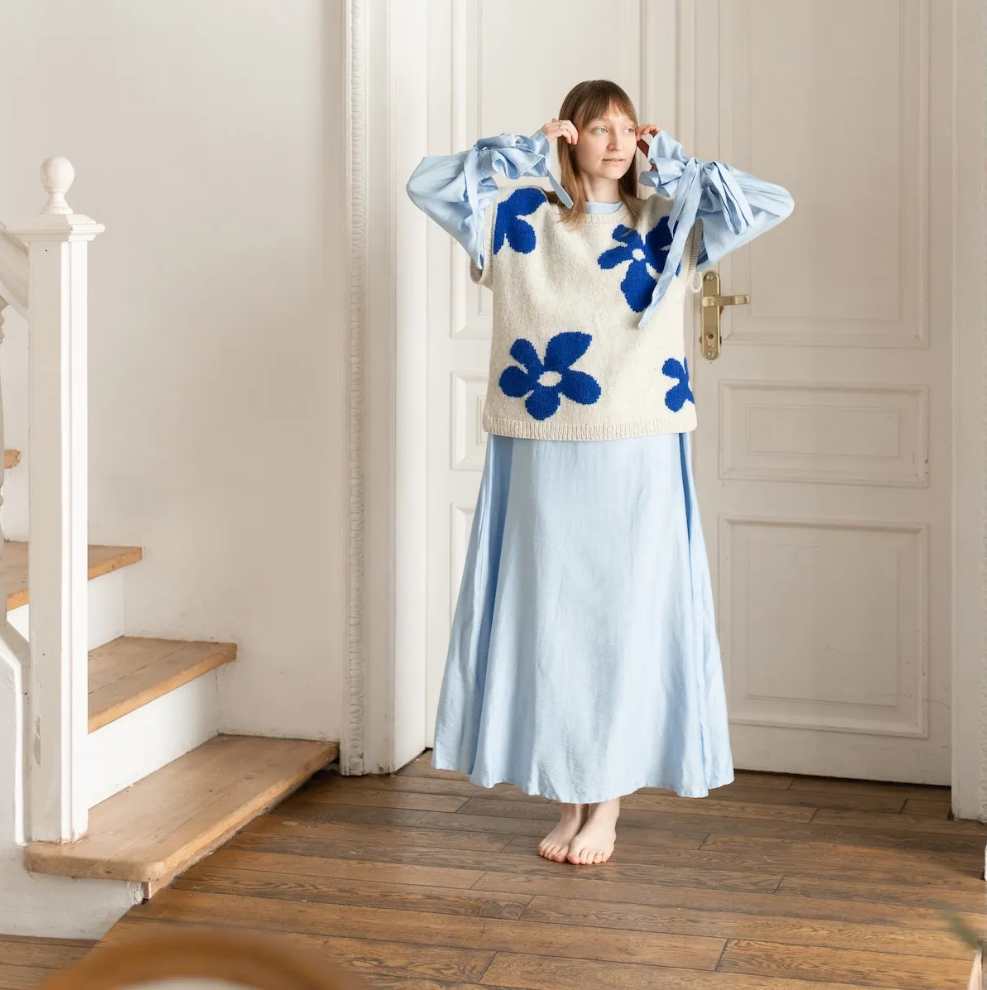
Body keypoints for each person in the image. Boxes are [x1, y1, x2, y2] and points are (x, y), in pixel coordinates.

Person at [405, 79, 793, 866]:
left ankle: (605, 803)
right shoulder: (521, 217)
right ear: (569, 136)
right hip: (540, 442)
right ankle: (571, 795)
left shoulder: (668, 219)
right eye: (597, 128)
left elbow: (770, 203)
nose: (615, 142)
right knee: (552, 621)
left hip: (637, 442)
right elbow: (427, 186)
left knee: (620, 617)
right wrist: (522, 151)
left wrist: (675, 163)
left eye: (627, 128)